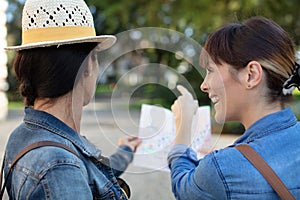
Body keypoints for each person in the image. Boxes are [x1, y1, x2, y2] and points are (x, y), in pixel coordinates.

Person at [1, 0, 141, 199]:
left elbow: (89, 174)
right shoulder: (61, 168)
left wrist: (125, 151)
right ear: (88, 66)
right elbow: (68, 172)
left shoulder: (23, 135)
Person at [168, 17, 300, 199]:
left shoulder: (221, 169)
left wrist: (183, 126)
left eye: (211, 70)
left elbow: (183, 187)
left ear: (251, 75)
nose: (204, 85)